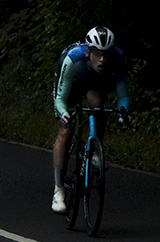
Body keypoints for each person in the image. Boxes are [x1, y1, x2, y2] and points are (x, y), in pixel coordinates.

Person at [51, 26, 132, 214]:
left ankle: (95, 151)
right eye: (97, 54)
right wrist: (64, 114)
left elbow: (123, 95)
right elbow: (60, 100)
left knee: (97, 104)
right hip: (70, 83)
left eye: (106, 54)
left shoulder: (119, 58)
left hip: (92, 82)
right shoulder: (73, 58)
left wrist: (124, 115)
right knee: (65, 130)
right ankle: (58, 189)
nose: (102, 59)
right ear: (88, 52)